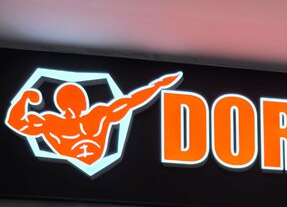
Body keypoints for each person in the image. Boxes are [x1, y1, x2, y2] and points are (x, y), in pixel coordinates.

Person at [5, 71, 182, 166]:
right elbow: (15, 122)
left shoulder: (98, 114)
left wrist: (157, 85)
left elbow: (132, 101)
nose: (78, 102)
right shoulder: (52, 122)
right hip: (69, 177)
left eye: (79, 98)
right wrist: (24, 97)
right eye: (73, 99)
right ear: (61, 104)